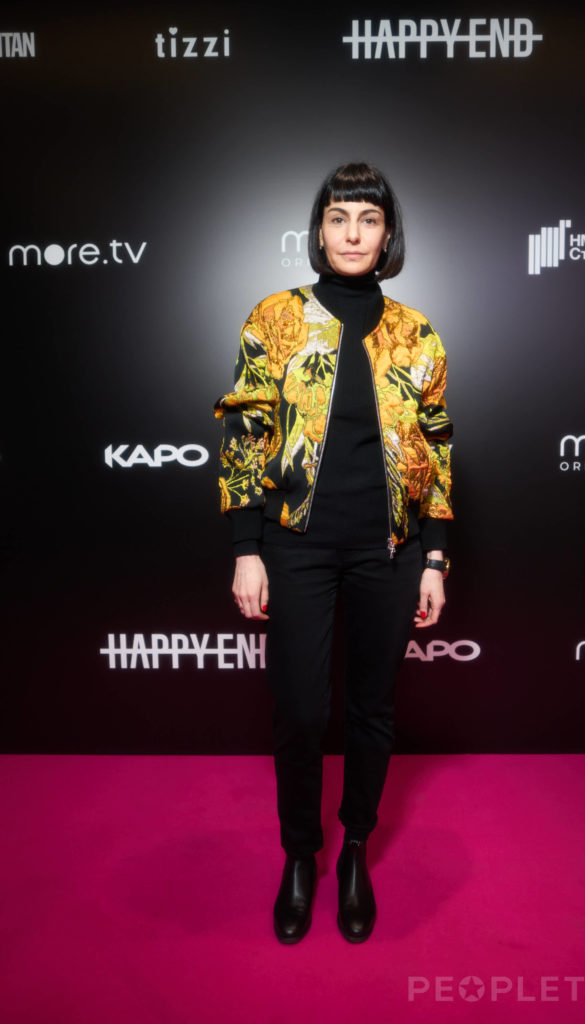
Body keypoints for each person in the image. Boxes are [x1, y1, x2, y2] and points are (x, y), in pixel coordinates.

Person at [214, 162, 453, 943]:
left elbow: (436, 448)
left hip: (390, 549)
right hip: (296, 544)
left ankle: (354, 850)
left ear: (387, 236)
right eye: (339, 217)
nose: (353, 233)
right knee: (300, 709)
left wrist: (434, 557)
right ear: (318, 231)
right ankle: (299, 854)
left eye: (368, 220)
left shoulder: (416, 331)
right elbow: (245, 434)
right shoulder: (276, 317)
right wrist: (246, 547)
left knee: (371, 709)